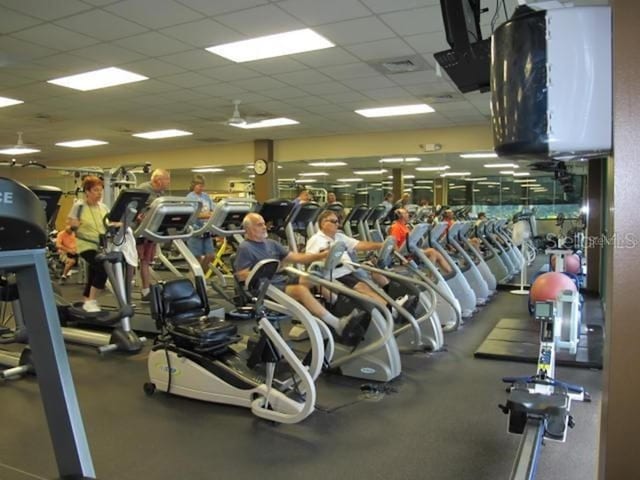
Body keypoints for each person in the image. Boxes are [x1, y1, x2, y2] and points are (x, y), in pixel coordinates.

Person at [234, 213, 368, 344]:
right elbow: (241, 274)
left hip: (281, 280)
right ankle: (338, 325)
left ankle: (342, 309)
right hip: (264, 288)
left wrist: (322, 256)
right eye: (259, 225)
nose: (264, 227)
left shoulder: (271, 243)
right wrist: (270, 268)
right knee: (300, 290)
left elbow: (299, 258)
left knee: (316, 279)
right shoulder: (245, 248)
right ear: (249, 229)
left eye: (264, 224)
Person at [306, 210, 389, 305]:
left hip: (350, 270)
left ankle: (392, 302)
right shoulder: (315, 240)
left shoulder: (340, 236)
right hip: (336, 275)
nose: (337, 224)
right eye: (334, 221)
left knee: (375, 274)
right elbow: (309, 261)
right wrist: (324, 258)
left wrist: (381, 245)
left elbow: (359, 245)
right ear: (323, 223)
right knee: (364, 289)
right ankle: (389, 309)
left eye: (338, 222)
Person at [67, 176, 111, 312]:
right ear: (87, 191)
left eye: (100, 190)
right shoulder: (79, 206)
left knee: (94, 272)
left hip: (101, 245)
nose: (99, 193)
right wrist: (73, 226)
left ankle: (87, 301)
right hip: (85, 246)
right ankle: (91, 300)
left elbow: (109, 223)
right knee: (103, 268)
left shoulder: (103, 207)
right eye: (96, 190)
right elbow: (69, 227)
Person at [137, 168, 171, 302]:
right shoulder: (143, 190)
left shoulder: (160, 193)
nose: (169, 182)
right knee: (134, 262)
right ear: (158, 180)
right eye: (167, 179)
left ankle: (146, 290)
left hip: (151, 231)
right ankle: (130, 291)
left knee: (146, 261)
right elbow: (133, 208)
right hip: (138, 232)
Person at [390, 208, 453, 275]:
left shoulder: (404, 226)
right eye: (405, 213)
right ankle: (432, 277)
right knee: (432, 252)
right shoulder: (396, 227)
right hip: (406, 254)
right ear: (400, 216)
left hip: (412, 251)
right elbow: (394, 243)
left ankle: (450, 273)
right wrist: (401, 258)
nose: (408, 215)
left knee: (436, 253)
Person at [186, 174, 216, 273]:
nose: (201, 187)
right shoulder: (190, 197)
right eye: (199, 185)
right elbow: (194, 214)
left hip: (206, 229)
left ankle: (201, 276)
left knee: (211, 256)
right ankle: (195, 279)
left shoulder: (206, 196)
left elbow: (214, 210)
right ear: (193, 185)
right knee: (196, 258)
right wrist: (207, 215)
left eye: (202, 185)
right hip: (195, 230)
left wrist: (209, 214)